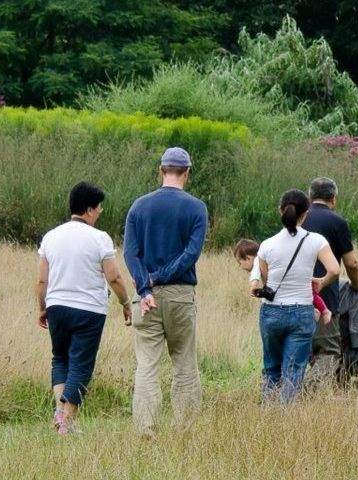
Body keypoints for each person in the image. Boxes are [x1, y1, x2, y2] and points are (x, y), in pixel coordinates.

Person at [35, 181, 133, 435]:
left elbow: (42, 280)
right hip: (89, 310)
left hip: (56, 305)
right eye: (99, 208)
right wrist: (125, 303)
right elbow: (114, 277)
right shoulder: (99, 238)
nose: (100, 213)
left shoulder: (51, 237)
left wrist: (42, 307)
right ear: (89, 209)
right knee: (81, 364)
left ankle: (60, 415)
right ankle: (67, 422)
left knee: (60, 358)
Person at [123, 147, 208, 437]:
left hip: (145, 298)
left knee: (147, 364)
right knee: (184, 362)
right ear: (187, 172)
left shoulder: (138, 206)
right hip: (181, 295)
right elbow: (190, 255)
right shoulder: (197, 208)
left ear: (161, 170)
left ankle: (145, 428)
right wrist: (159, 278)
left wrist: (146, 286)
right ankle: (184, 428)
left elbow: (130, 253)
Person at [255, 189, 340, 404]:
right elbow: (335, 269)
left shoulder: (267, 244)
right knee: (293, 370)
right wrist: (321, 282)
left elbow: (265, 279)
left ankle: (268, 415)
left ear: (280, 211)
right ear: (306, 213)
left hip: (272, 312)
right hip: (301, 311)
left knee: (271, 368)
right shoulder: (316, 241)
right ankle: (286, 419)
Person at [302, 177, 358, 389]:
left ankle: (284, 394)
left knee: (297, 350)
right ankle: (305, 393)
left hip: (291, 297)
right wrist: (356, 286)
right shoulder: (338, 222)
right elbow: (351, 263)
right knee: (328, 352)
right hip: (323, 300)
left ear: (310, 197)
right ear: (334, 199)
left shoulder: (298, 219)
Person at [233, 239, 332, 326]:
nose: (240, 267)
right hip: (295, 279)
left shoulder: (258, 259)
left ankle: (324, 311)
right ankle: (313, 311)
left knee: (310, 295)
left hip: (293, 282)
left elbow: (255, 274)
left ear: (248, 258)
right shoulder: (269, 255)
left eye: (239, 263)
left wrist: (253, 285)